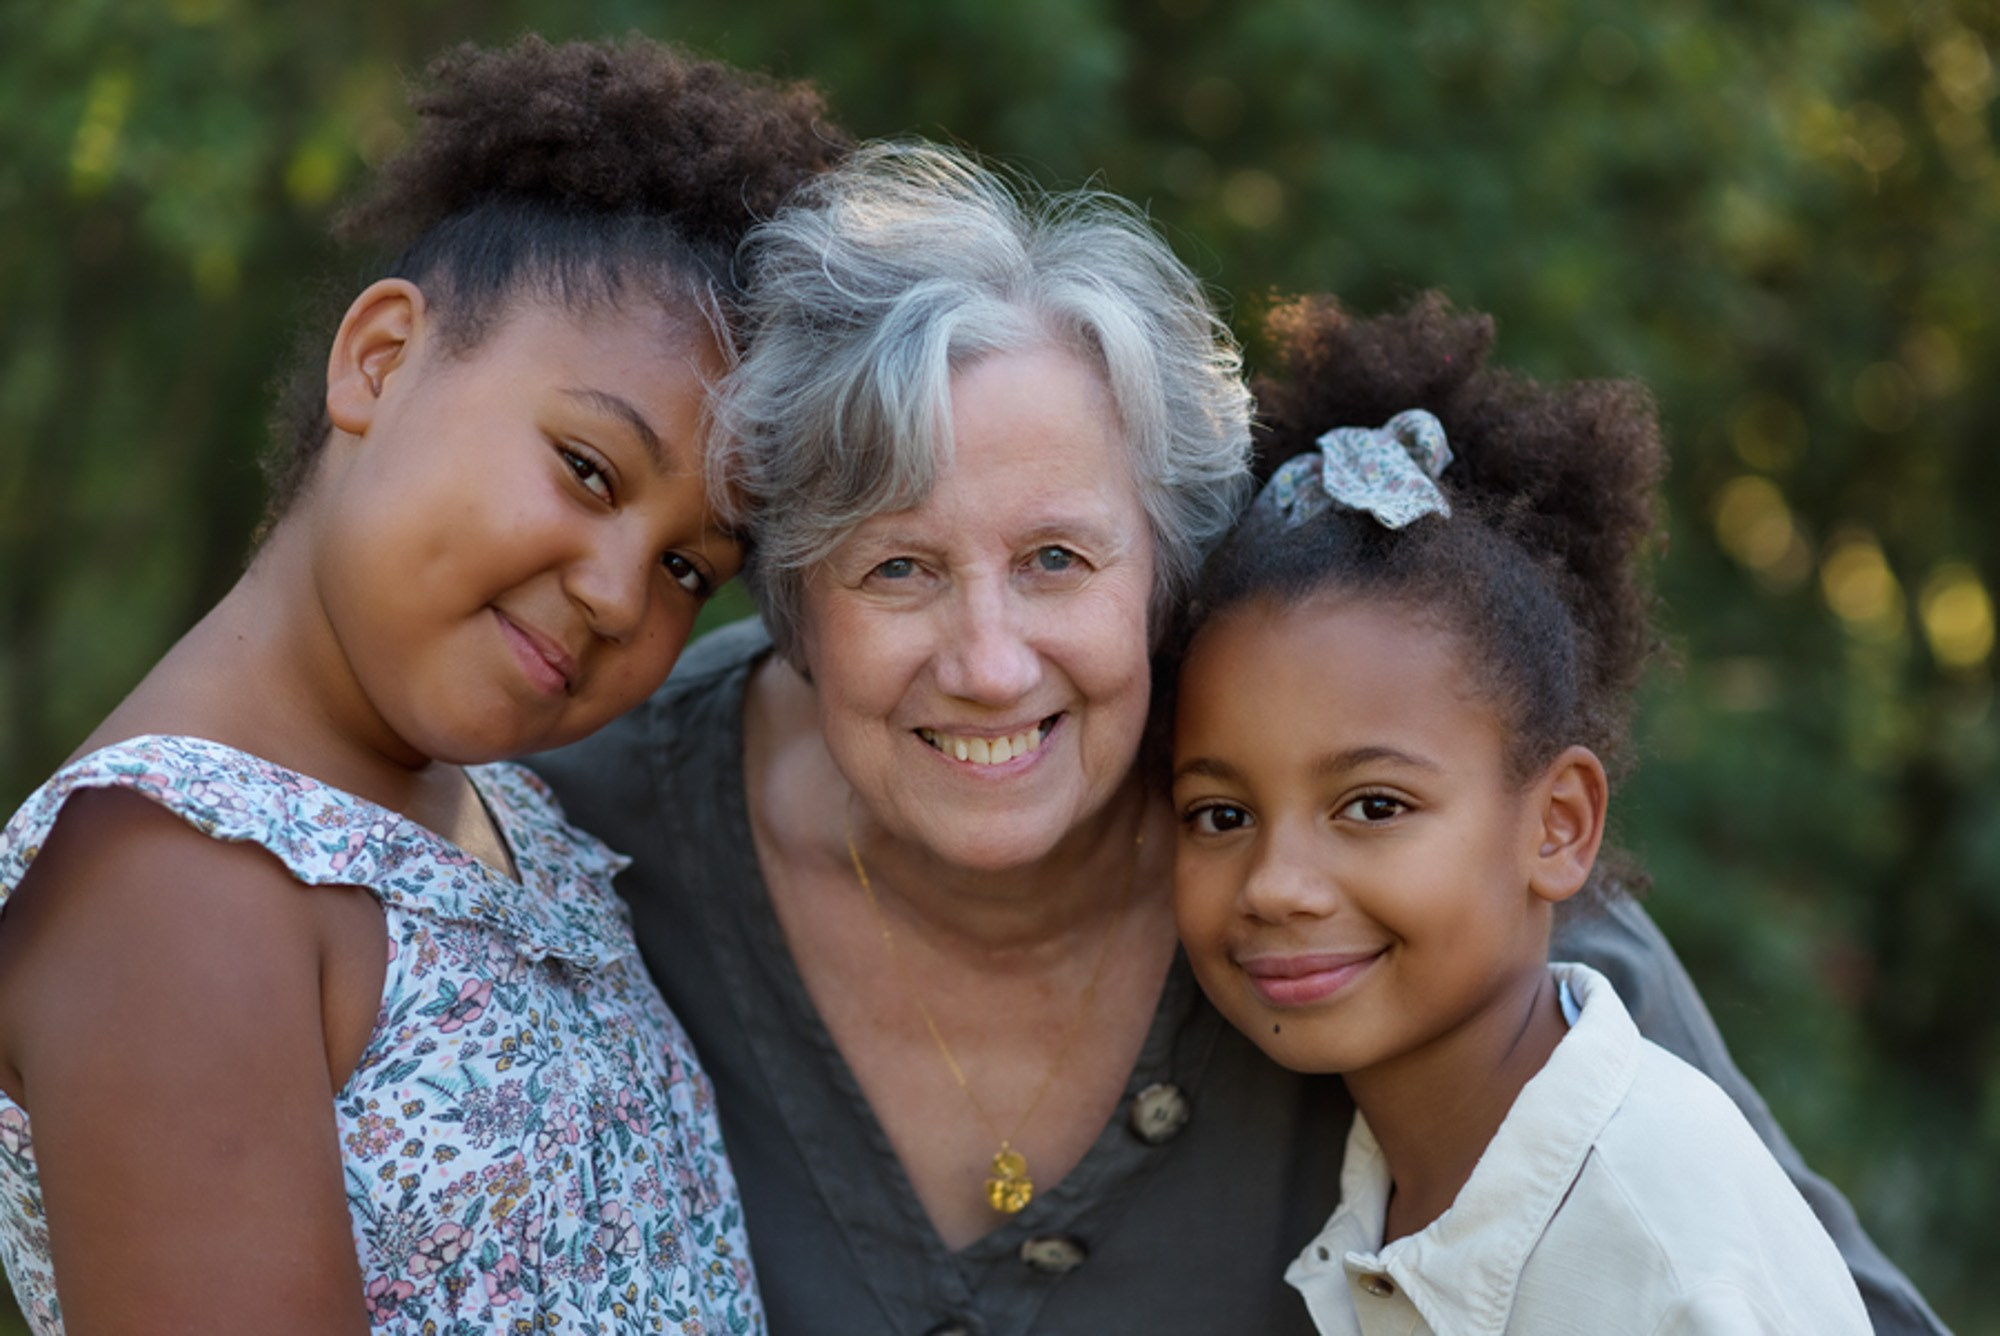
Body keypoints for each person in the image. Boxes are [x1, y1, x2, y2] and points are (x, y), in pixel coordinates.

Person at [530, 142, 1946, 1334]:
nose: (987, 660)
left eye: (1059, 560)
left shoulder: (1393, 861)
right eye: (897, 569)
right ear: (790, 601)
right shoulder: (568, 846)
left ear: (1166, 575)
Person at [0, 35, 844, 1334]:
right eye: (587, 468)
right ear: (381, 361)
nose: (624, 593)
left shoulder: (510, 815)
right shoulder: (178, 881)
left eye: (690, 565)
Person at [1170, 292, 1871, 1333]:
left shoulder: (1655, 1247)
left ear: (1556, 824)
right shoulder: (1399, 1189)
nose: (1275, 883)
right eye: (1219, 816)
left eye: (1370, 803)